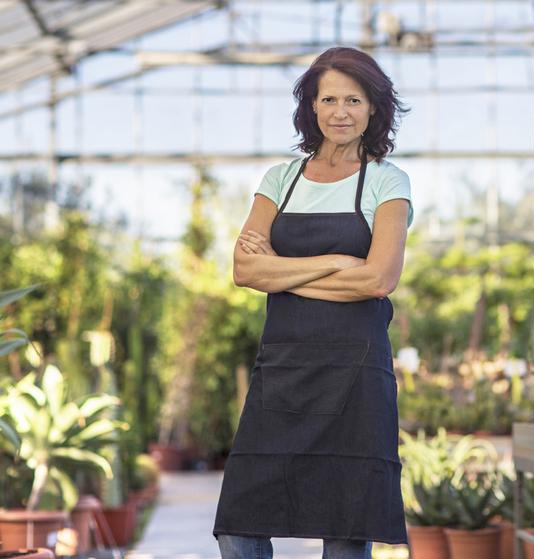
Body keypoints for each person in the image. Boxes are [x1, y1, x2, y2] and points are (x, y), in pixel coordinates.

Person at [212, 46, 413, 559]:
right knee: (240, 526)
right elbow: (245, 269)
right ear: (312, 106)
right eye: (329, 99)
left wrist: (282, 271)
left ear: (373, 108)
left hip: (356, 375)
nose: (341, 111)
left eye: (354, 99)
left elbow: (378, 280)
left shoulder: (388, 181)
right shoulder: (281, 179)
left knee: (346, 531)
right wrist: (338, 262)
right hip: (283, 369)